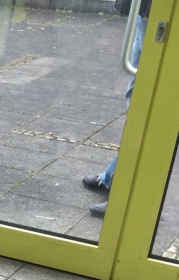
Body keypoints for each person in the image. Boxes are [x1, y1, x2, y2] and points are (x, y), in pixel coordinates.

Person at [83, 0, 151, 219]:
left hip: (163, 25)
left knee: (148, 117)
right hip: (148, 18)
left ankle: (131, 198)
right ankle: (112, 178)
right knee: (138, 106)